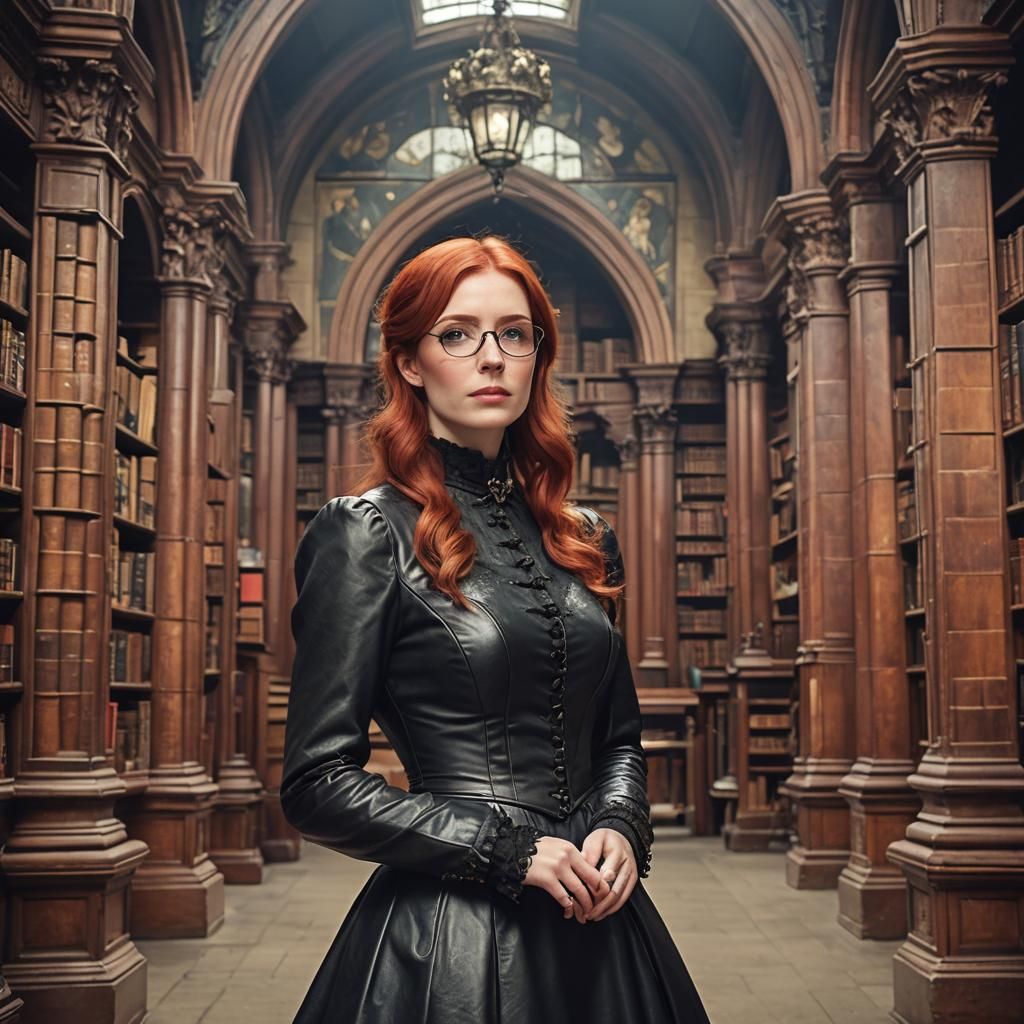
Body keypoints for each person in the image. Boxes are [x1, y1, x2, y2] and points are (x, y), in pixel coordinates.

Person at [281, 235, 711, 1023]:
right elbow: (316, 784)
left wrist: (619, 823)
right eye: (458, 334)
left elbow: (616, 739)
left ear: (537, 356)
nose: (491, 358)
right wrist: (507, 852)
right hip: (454, 936)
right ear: (409, 361)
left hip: (601, 922)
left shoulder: (582, 534)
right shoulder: (366, 532)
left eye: (514, 334)